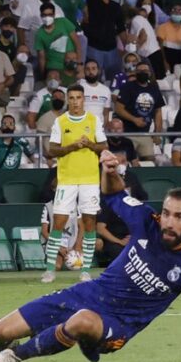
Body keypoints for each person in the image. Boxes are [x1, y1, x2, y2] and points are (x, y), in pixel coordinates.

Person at [0, 156, 181, 362]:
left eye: (179, 217)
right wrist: (109, 172)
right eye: (167, 213)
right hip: (86, 294)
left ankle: (16, 355)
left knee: (82, 322)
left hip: (117, 323)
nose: (169, 222)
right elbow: (114, 194)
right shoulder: (146, 220)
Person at [42, 84, 108, 283]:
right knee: (59, 221)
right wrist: (72, 146)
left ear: (83, 99)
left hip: (89, 179)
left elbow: (104, 147)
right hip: (67, 179)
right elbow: (52, 150)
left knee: (89, 222)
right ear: (67, 100)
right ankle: (50, 270)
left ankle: (85, 270)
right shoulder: (60, 122)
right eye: (71, 98)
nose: (75, 101)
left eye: (78, 97)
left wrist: (90, 144)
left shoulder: (93, 120)